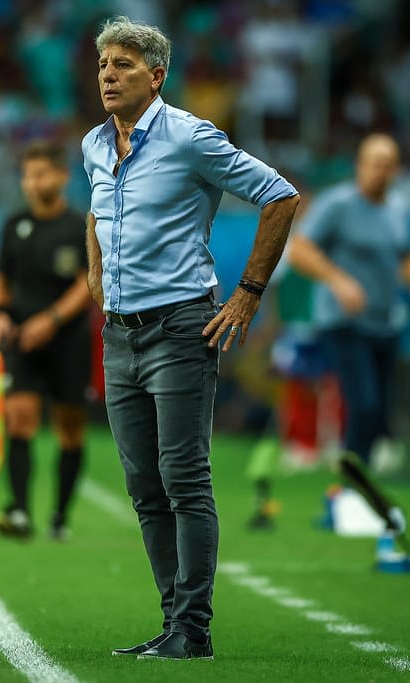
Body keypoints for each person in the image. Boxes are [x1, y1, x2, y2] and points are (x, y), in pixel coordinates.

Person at [82, 16, 299, 660]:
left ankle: (193, 628)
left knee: (184, 476)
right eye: (102, 66)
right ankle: (173, 621)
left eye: (122, 65)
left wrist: (247, 293)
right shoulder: (95, 143)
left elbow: (279, 196)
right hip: (119, 334)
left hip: (180, 325)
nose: (108, 76)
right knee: (144, 483)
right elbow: (94, 213)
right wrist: (96, 276)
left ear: (157, 74)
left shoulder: (189, 137)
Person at [288, 134, 410, 468]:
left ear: (397, 170)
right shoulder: (337, 204)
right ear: (360, 165)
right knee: (364, 402)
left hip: (384, 320)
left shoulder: (398, 207)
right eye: (374, 164)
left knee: (381, 409)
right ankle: (352, 480)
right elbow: (300, 249)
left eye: (387, 165)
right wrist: (339, 281)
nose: (379, 172)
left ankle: (362, 474)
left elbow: (407, 254)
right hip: (343, 320)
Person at [0, 141, 92, 541]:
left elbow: (87, 283)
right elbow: (1, 280)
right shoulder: (15, 225)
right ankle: (20, 512)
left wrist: (50, 320)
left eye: (41, 174)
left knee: (69, 428)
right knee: (19, 418)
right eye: (28, 175)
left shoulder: (78, 226)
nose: (33, 183)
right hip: (21, 340)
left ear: (62, 177)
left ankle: (60, 517)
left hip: (68, 340)